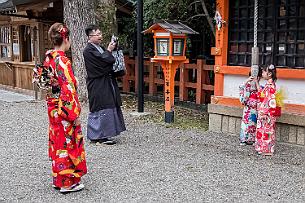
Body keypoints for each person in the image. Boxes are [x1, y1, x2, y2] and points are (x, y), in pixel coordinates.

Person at [43, 23, 87, 193]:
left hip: (53, 107)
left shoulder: (49, 58)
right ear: (65, 39)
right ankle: (67, 182)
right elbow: (68, 88)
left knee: (57, 141)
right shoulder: (62, 60)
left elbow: (46, 83)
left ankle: (58, 179)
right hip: (64, 108)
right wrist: (73, 113)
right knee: (68, 142)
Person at [83, 24, 126, 145]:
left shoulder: (99, 47)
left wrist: (110, 51)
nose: (100, 36)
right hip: (97, 83)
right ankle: (98, 136)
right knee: (100, 107)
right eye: (98, 34)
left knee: (109, 105)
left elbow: (108, 60)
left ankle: (105, 134)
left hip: (106, 81)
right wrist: (109, 51)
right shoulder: (88, 50)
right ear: (90, 37)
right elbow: (102, 63)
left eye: (101, 34)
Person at [254, 64, 278, 156]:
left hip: (267, 112)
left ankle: (266, 150)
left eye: (264, 71)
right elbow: (262, 95)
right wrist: (257, 83)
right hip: (265, 111)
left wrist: (264, 112)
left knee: (266, 131)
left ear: (269, 74)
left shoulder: (270, 86)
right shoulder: (269, 85)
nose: (262, 73)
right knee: (264, 130)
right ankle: (262, 148)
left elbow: (270, 101)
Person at [239, 69, 262, 145]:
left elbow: (261, 95)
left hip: (256, 110)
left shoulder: (260, 87)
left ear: (259, 77)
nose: (255, 78)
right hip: (248, 109)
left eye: (257, 77)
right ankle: (244, 139)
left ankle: (253, 140)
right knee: (246, 125)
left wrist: (256, 83)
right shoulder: (247, 86)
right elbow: (241, 89)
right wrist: (247, 81)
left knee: (255, 125)